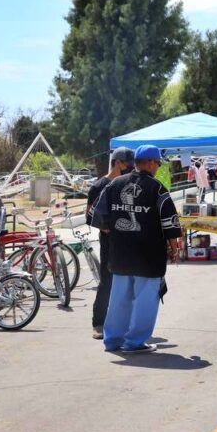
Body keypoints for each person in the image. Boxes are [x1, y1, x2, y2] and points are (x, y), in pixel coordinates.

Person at [92, 144, 182, 354]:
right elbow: (169, 223)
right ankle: (134, 342)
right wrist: (174, 248)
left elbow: (97, 215)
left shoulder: (114, 185)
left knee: (119, 299)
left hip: (121, 255)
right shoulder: (157, 189)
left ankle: (112, 340)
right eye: (158, 163)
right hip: (148, 257)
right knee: (145, 301)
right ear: (150, 162)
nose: (158, 167)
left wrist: (116, 234)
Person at [85, 146, 134, 340]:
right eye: (127, 165)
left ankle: (125, 322)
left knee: (128, 282)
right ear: (117, 163)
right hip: (109, 241)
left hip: (128, 239)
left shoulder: (128, 185)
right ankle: (99, 323)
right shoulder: (98, 186)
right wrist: (106, 228)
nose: (130, 169)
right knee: (107, 281)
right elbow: (89, 216)